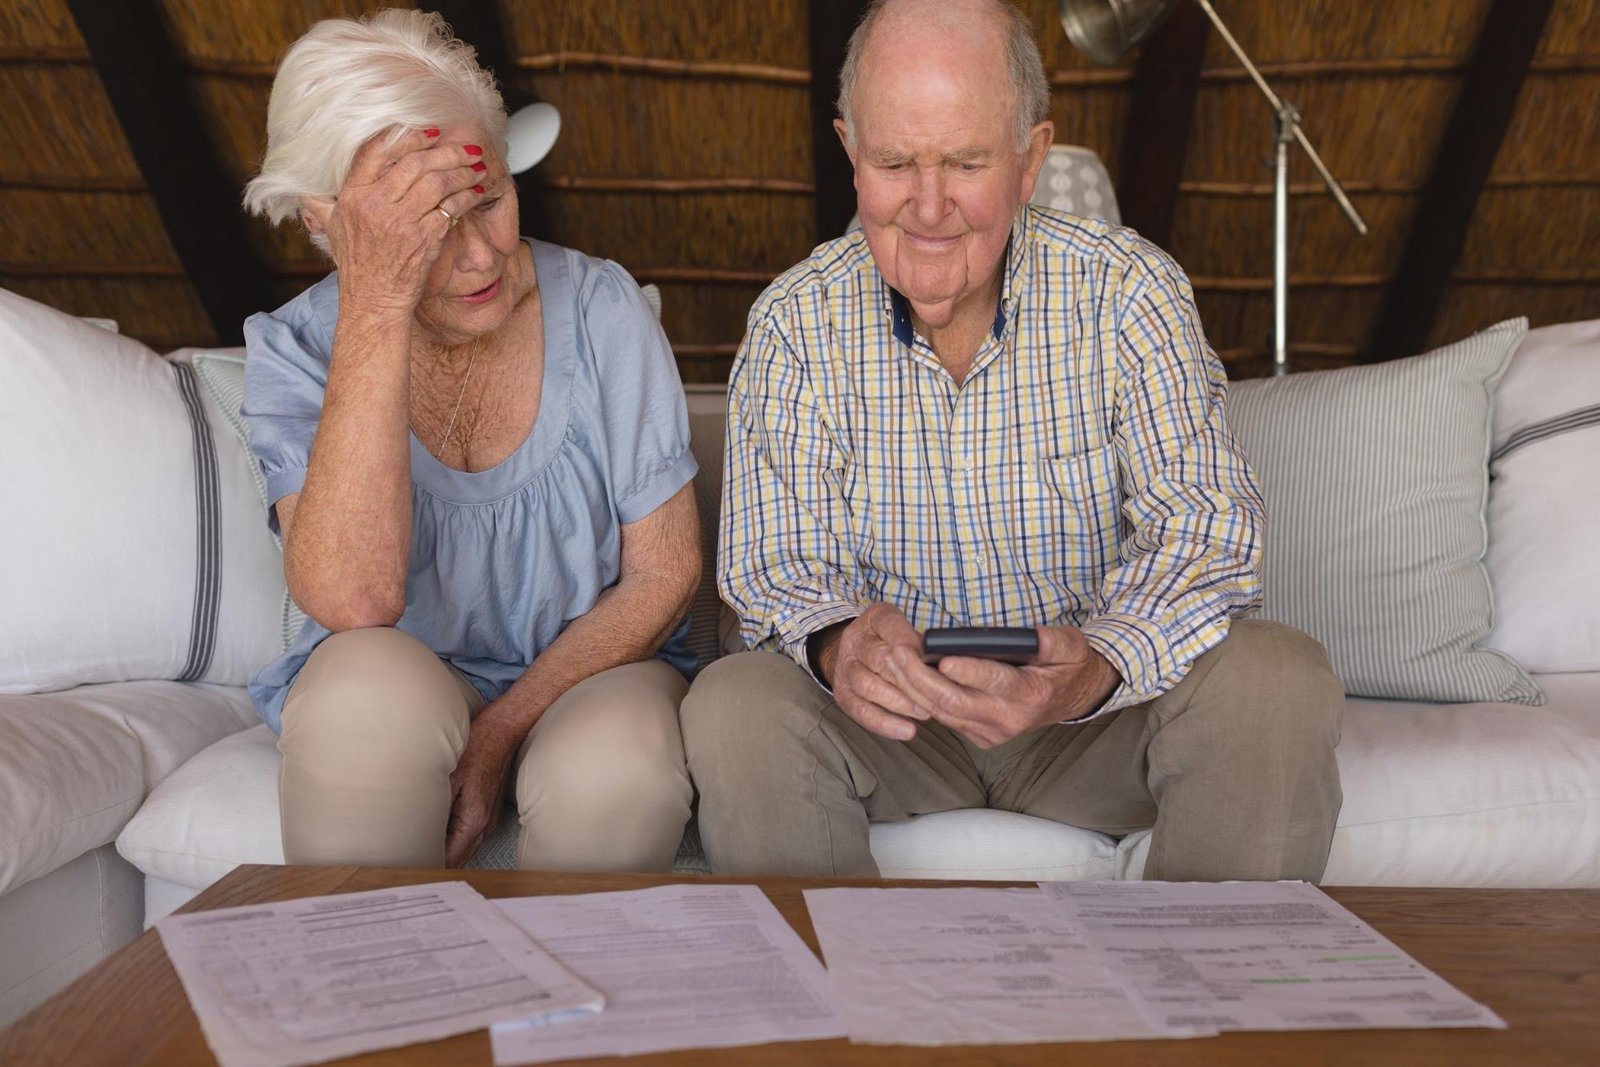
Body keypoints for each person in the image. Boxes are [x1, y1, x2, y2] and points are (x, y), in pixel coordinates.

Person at [682, 0, 1344, 882]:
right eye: (892, 162)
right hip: (894, 730)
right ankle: (837, 1009)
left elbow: (1207, 527)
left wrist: (1103, 661)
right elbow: (773, 570)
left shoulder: (1127, 292)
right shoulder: (796, 323)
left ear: (1031, 159)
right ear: (849, 151)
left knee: (1277, 676)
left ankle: (1209, 1008)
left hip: (1094, 722)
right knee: (736, 702)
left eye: (965, 161)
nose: (927, 206)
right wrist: (841, 644)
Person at [239, 9, 700, 872]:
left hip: (594, 672)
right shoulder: (296, 347)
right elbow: (352, 600)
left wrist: (498, 732)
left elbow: (666, 572)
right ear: (328, 224)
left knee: (617, 772)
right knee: (359, 706)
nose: (482, 256)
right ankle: (387, 997)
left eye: (488, 200)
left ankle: (565, 1007)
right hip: (412, 675)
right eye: (427, 227)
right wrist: (375, 301)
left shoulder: (604, 308)